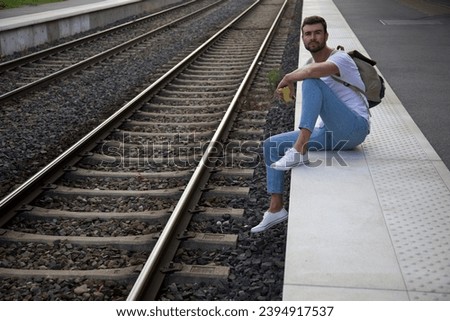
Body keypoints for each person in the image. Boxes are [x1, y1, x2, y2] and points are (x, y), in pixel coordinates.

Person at [251, 15, 370, 233]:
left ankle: (299, 148)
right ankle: (276, 208)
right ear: (303, 38)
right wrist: (286, 93)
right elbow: (306, 85)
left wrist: (289, 77)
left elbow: (310, 74)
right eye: (308, 34)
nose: (312, 37)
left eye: (317, 32)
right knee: (270, 144)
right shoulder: (309, 65)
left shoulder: (340, 58)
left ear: (326, 35)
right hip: (332, 133)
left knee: (311, 79)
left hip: (355, 128)